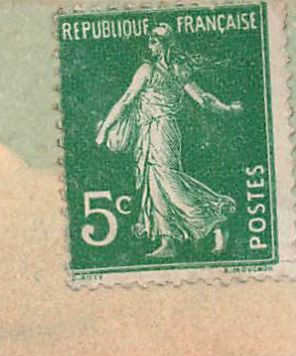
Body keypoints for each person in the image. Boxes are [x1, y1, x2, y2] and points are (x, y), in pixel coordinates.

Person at [95, 24, 242, 259]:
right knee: (156, 184)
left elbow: (126, 100)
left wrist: (105, 127)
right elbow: (204, 100)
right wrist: (228, 110)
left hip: (160, 130)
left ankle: (216, 217)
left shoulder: (150, 69)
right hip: (156, 131)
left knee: (168, 181)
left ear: (164, 45)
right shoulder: (177, 70)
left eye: (154, 42)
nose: (150, 46)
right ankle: (168, 242)